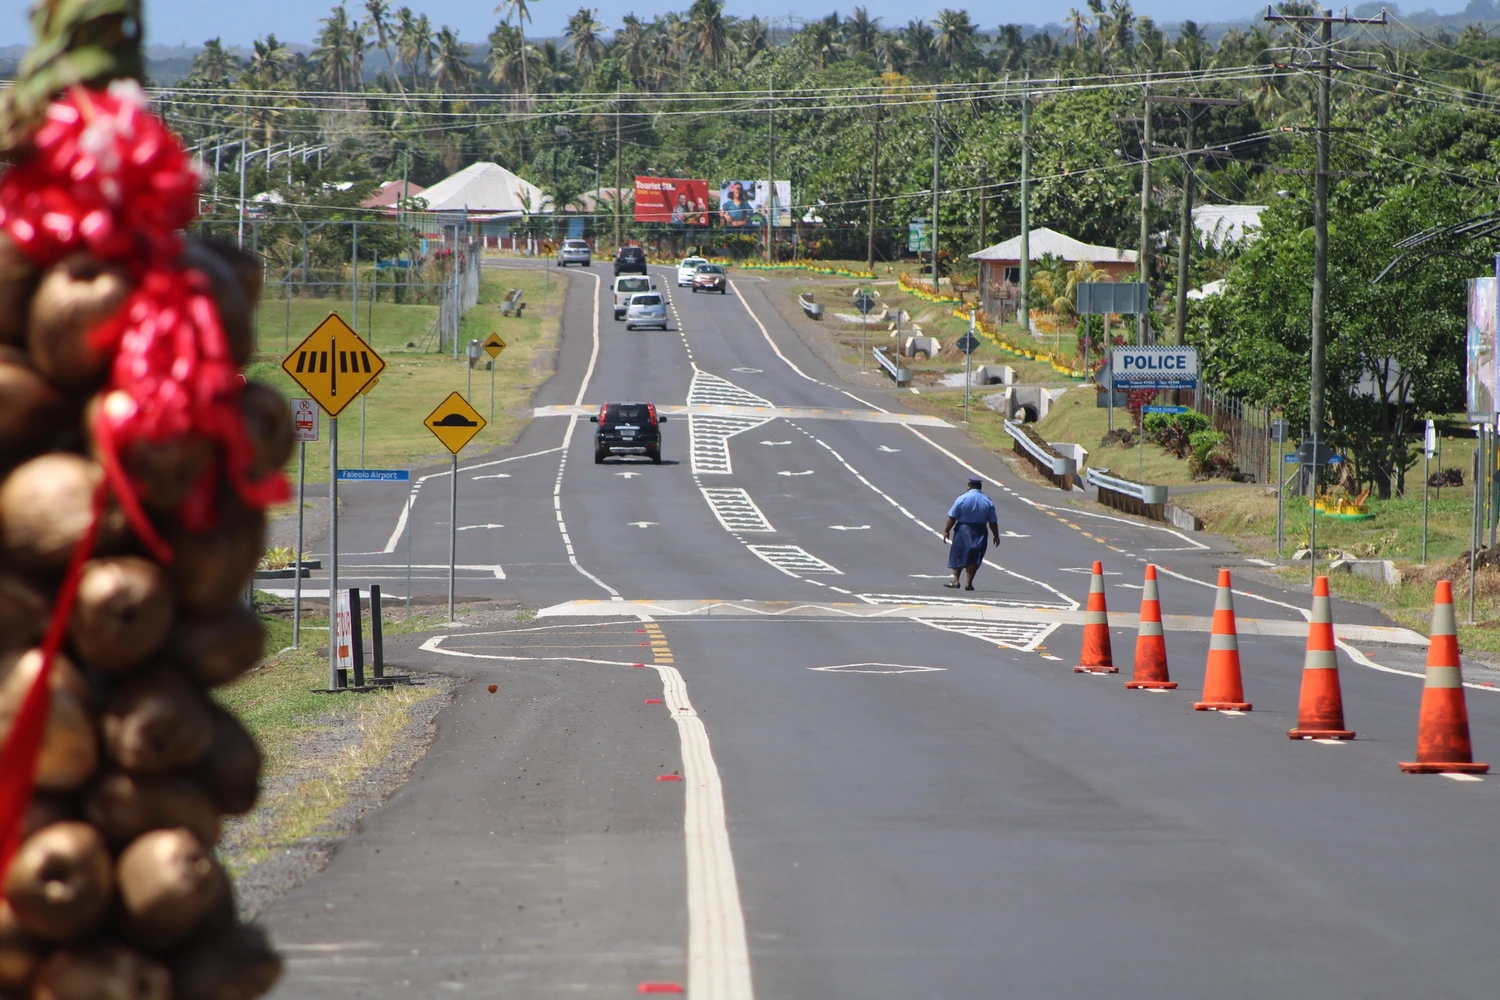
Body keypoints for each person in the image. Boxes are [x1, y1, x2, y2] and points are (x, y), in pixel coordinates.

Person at [943, 477, 1001, 590]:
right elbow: (993, 522)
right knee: (975, 555)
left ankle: (955, 580)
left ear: (969, 486)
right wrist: (996, 536)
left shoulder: (962, 498)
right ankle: (969, 583)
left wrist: (946, 530)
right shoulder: (987, 501)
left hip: (963, 529)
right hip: (979, 530)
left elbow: (952, 517)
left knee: (958, 553)